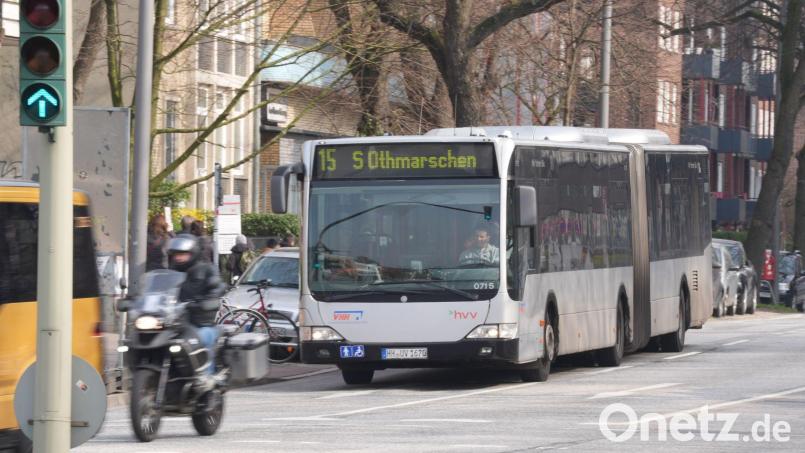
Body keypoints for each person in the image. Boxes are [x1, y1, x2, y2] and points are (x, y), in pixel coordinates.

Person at [166, 234, 225, 378]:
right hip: (176, 323)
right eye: (176, 254)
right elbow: (157, 290)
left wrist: (209, 300)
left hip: (201, 322)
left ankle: (207, 377)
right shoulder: (170, 273)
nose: (178, 258)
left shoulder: (208, 270)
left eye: (183, 254)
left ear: (193, 253)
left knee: (201, 339)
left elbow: (218, 287)